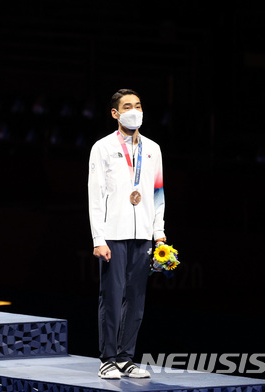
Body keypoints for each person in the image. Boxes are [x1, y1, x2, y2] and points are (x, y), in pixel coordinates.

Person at [87, 89, 166, 379]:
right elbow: (95, 196)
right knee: (111, 296)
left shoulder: (153, 149)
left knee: (136, 298)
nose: (135, 110)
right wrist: (99, 238)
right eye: (128, 106)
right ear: (115, 114)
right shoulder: (103, 147)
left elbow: (158, 193)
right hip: (114, 234)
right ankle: (107, 358)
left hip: (144, 233)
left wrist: (159, 233)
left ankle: (125, 357)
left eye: (138, 105)